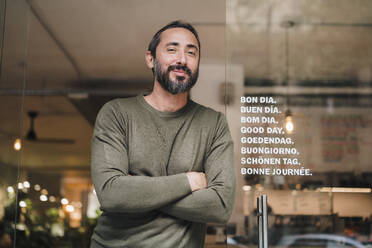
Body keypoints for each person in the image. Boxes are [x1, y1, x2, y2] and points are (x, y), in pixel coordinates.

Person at [90, 20, 235, 248]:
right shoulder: (117, 113)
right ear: (150, 58)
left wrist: (136, 193)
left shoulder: (213, 123)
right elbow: (111, 194)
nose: (182, 59)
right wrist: (188, 181)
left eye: (191, 53)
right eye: (172, 49)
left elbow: (221, 206)